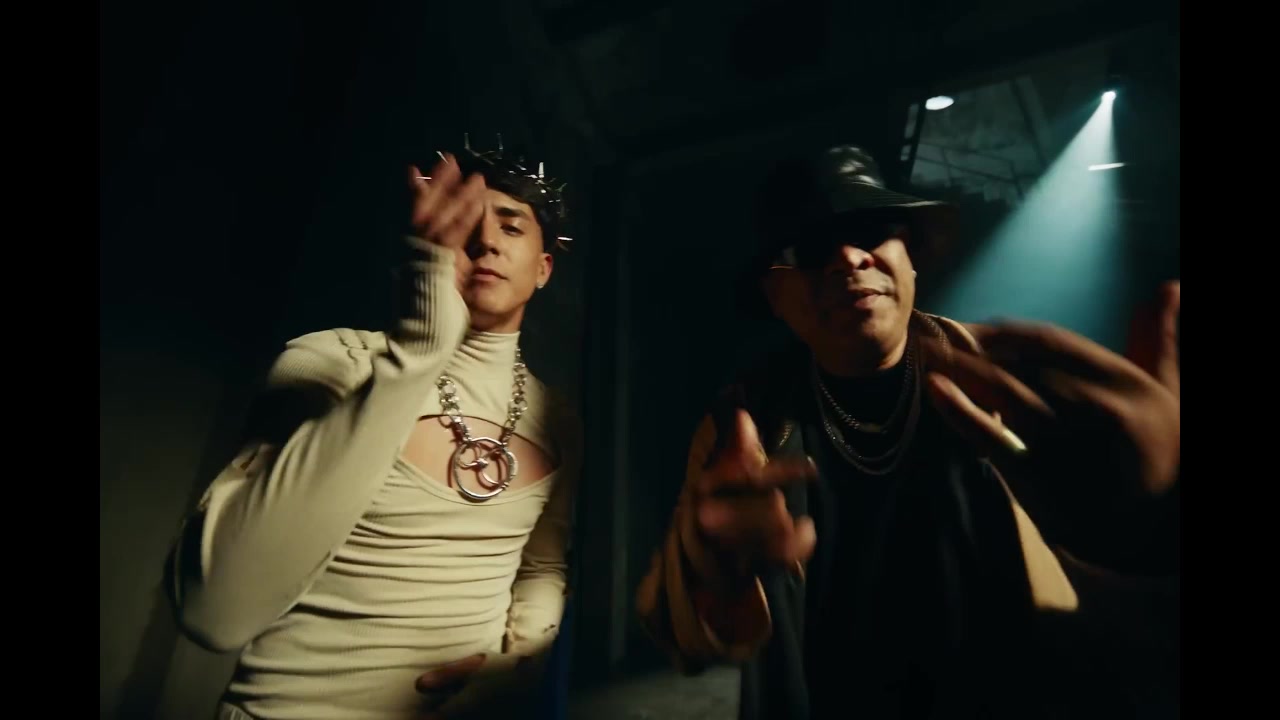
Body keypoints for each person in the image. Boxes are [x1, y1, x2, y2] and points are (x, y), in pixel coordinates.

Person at [635, 145, 1179, 719]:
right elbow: (680, 634)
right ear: (774, 294)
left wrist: (1155, 527)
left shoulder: (1008, 386)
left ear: (910, 256)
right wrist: (721, 581)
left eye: (872, 231)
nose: (849, 257)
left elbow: (1130, 630)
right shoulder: (741, 430)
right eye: (811, 248)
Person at [166, 143, 582, 720]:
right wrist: (421, 348)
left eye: (510, 227)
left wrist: (521, 668)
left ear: (543, 268)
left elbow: (542, 567)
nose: (486, 241)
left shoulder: (557, 419)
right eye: (467, 221)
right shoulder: (329, 363)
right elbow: (214, 611)